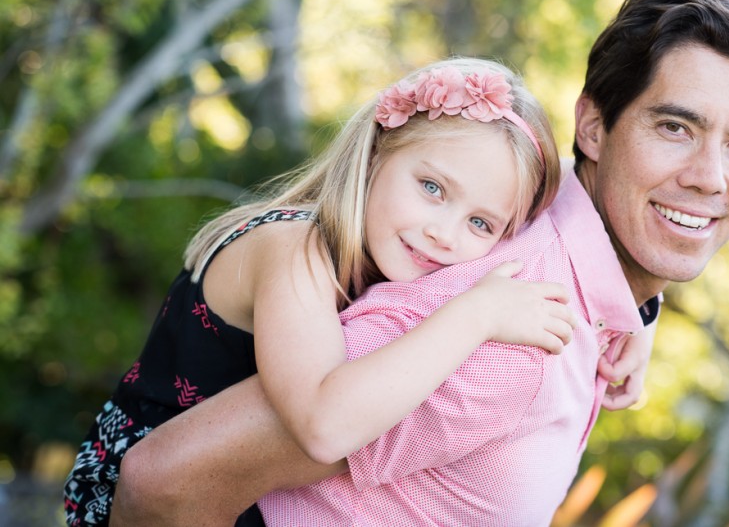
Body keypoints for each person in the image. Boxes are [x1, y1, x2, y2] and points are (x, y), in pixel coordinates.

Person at [111, 0, 729, 526]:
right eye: (674, 126)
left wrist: (634, 322)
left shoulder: (547, 265)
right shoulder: (495, 323)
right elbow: (164, 484)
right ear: (595, 128)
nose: (707, 176)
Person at [64, 58, 578, 526]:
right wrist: (477, 314)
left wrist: (635, 322)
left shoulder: (382, 262)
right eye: (432, 188)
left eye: (481, 224)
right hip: (136, 505)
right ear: (377, 152)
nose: (444, 233)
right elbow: (322, 425)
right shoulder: (294, 247)